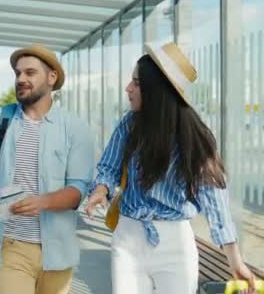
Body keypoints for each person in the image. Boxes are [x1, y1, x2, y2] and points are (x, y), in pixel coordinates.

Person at [85, 42, 256, 294]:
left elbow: (215, 203)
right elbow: (109, 166)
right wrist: (100, 189)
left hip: (175, 242)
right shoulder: (130, 124)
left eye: (136, 83)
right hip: (128, 236)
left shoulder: (194, 139)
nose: (127, 88)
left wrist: (235, 260)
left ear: (157, 90)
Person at [0, 44, 95, 294]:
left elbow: (78, 189)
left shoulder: (75, 128)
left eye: (30, 73)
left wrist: (43, 202)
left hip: (57, 250)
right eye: (17, 73)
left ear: (51, 78)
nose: (21, 79)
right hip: (9, 245)